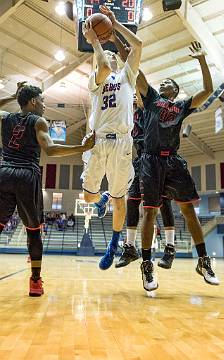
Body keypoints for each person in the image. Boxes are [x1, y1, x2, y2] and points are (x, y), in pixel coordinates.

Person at [135, 41, 219, 290]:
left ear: (175, 90)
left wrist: (202, 59)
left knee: (189, 211)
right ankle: (147, 265)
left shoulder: (181, 106)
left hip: (172, 160)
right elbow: (137, 72)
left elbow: (208, 89)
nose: (162, 84)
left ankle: (203, 260)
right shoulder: (151, 99)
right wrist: (123, 43)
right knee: (149, 211)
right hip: (150, 160)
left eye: (167, 83)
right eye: (161, 83)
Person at [0, 83, 95, 296]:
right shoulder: (38, 121)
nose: (44, 105)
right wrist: (82, 147)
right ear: (33, 101)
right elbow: (50, 150)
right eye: (42, 100)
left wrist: (12, 97)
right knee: (34, 232)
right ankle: (35, 282)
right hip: (26, 175)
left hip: (4, 173)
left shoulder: (5, 118)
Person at [82, 5, 142, 270]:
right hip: (98, 143)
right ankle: (101, 197)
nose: (109, 57)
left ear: (121, 60)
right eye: (104, 56)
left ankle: (113, 246)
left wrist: (115, 25)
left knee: (121, 201)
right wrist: (95, 44)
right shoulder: (96, 81)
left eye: (113, 55)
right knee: (87, 199)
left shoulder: (128, 76)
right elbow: (104, 63)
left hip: (121, 142)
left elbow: (137, 45)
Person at [115, 92, 176, 272]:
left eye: (138, 95)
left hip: (159, 160)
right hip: (141, 160)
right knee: (131, 201)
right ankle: (130, 248)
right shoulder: (131, 116)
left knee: (164, 202)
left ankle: (170, 247)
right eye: (132, 96)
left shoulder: (154, 110)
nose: (134, 97)